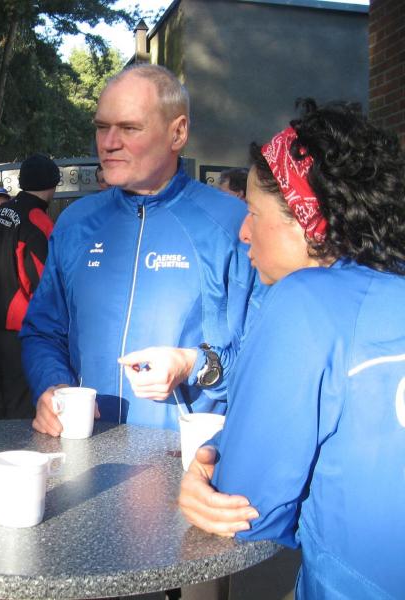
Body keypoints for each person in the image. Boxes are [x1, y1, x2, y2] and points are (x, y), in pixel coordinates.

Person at [178, 100, 405, 599]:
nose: (243, 232)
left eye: (253, 213)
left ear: (308, 221)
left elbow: (247, 506)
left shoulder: (306, 300)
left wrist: (207, 473)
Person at [21, 64, 259, 436]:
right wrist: (54, 386)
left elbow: (268, 358)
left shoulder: (233, 225)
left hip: (189, 458)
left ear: (177, 132)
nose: (108, 143)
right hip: (87, 450)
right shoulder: (76, 223)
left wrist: (195, 364)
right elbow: (43, 331)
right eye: (102, 127)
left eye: (129, 128)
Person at [0, 154, 60, 419]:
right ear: (53, 185)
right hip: (21, 331)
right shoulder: (38, 220)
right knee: (20, 409)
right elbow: (46, 283)